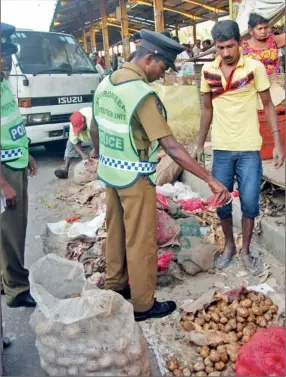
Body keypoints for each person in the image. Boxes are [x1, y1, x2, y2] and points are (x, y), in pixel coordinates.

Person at [90, 29, 230, 322]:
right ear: (150, 59)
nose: (161, 75)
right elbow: (172, 147)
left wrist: (99, 153)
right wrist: (210, 179)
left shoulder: (106, 83)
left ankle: (116, 285)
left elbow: (95, 128)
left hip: (110, 173)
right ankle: (142, 304)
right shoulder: (140, 94)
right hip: (134, 178)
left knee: (116, 231)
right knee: (141, 240)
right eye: (163, 67)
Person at [193, 20, 284, 275]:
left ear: (239, 43)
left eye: (230, 46)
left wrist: (277, 144)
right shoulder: (208, 71)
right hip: (221, 149)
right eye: (220, 48)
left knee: (250, 202)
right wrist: (200, 143)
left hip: (249, 149)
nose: (225, 53)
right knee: (221, 204)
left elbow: (267, 105)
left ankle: (245, 250)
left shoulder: (254, 68)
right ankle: (230, 247)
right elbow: (206, 108)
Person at [0, 22, 38, 307]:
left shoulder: (2, 82)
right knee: (11, 234)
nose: (5, 60)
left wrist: (27, 153)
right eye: (1, 54)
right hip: (4, 173)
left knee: (14, 230)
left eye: (7, 54)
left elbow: (10, 124)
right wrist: (3, 184)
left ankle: (8, 280)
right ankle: (16, 290)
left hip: (16, 162)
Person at [54, 108, 96, 179]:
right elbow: (74, 142)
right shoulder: (74, 123)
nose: (79, 131)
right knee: (69, 143)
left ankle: (97, 170)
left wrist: (95, 149)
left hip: (95, 131)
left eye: (80, 128)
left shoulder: (92, 120)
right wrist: (83, 155)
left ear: (83, 120)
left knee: (96, 151)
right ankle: (65, 169)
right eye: (77, 129)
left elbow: (100, 138)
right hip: (85, 128)